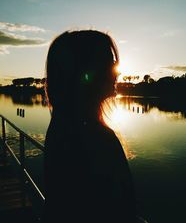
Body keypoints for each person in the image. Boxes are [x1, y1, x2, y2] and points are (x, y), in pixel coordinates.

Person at [43, 30, 138, 223]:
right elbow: (125, 208)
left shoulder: (62, 127)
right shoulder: (98, 139)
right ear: (84, 71)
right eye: (109, 62)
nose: (116, 71)